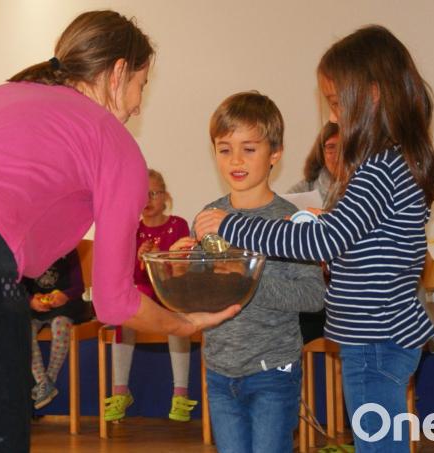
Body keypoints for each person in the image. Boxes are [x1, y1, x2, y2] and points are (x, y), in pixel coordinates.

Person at [0, 10, 238, 453]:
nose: (136, 104)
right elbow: (116, 303)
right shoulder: (111, 140)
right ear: (117, 73)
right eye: (141, 85)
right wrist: (184, 324)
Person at [194, 25, 434, 453]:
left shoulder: (381, 166)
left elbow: (322, 245)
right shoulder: (392, 160)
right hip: (379, 338)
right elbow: (361, 238)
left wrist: (229, 225)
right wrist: (324, 219)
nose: (331, 117)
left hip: (376, 341)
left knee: (379, 447)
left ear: (371, 94)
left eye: (334, 103)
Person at [176, 91, 326, 453]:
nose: (235, 159)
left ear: (275, 153)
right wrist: (184, 269)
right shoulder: (207, 217)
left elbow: (313, 296)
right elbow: (203, 295)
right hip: (219, 369)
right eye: (225, 148)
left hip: (273, 371)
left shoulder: (290, 221)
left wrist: (245, 279)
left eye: (249, 148)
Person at [105, 169, 198, 422]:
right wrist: (140, 258)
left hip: (170, 293)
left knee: (177, 318)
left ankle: (180, 393)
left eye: (154, 193)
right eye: (142, 195)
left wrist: (159, 258)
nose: (147, 200)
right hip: (143, 294)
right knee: (126, 311)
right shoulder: (133, 230)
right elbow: (129, 275)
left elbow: (182, 270)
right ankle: (120, 391)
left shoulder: (177, 224)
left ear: (165, 196)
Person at [287, 121, 339, 344]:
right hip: (313, 286)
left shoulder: (363, 186)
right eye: (330, 147)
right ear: (321, 151)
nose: (336, 154)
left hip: (347, 289)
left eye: (343, 146)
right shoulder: (304, 188)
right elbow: (282, 225)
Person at [25, 249, 90, 410]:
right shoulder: (28, 250)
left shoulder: (69, 250)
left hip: (65, 306)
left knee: (59, 324)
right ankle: (42, 382)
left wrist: (64, 295)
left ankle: (49, 379)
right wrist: (31, 300)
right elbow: (21, 286)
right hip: (36, 308)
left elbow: (78, 286)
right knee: (25, 329)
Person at [287, 121, 339, 209]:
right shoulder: (303, 191)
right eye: (331, 147)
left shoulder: (365, 190)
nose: (338, 156)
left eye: (345, 148)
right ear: (321, 152)